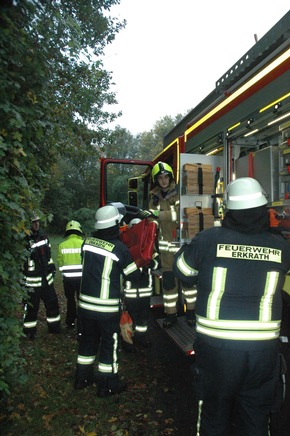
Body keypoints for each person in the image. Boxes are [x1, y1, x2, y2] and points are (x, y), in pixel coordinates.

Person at [173, 177, 290, 435]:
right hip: (263, 352)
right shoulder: (281, 246)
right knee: (256, 417)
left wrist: (185, 252)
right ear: (263, 209)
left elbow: (182, 272)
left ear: (227, 209)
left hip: (217, 350)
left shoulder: (208, 240)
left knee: (214, 415)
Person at [74, 203, 141, 397]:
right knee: (108, 345)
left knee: (87, 341)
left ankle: (82, 378)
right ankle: (108, 384)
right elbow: (132, 276)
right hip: (106, 309)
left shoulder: (86, 243)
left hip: (85, 306)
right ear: (114, 224)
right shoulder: (119, 249)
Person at [140, 161, 196, 328]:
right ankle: (171, 315)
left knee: (188, 282)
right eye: (160, 178)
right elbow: (151, 219)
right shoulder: (154, 197)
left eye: (166, 177)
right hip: (165, 249)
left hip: (183, 246)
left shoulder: (180, 193)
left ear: (171, 177)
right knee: (169, 283)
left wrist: (158, 213)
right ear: (156, 180)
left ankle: (191, 313)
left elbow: (179, 215)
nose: (163, 181)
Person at [122, 218, 160, 351]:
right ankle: (128, 340)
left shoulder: (148, 247)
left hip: (144, 291)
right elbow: (124, 270)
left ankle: (141, 338)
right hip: (131, 291)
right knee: (131, 317)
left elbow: (156, 263)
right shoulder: (126, 249)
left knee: (143, 318)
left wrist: (150, 263)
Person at [23, 213, 61, 340]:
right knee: (31, 309)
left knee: (53, 304)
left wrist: (51, 268)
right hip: (32, 282)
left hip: (46, 279)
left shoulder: (43, 236)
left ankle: (54, 328)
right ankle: (29, 332)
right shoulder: (24, 239)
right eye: (34, 222)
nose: (36, 224)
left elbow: (48, 255)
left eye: (37, 221)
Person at [57, 220, 84, 330]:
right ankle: (82, 323)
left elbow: (60, 263)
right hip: (81, 279)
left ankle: (70, 322)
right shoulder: (84, 244)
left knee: (70, 300)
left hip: (68, 279)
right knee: (81, 301)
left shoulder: (62, 245)